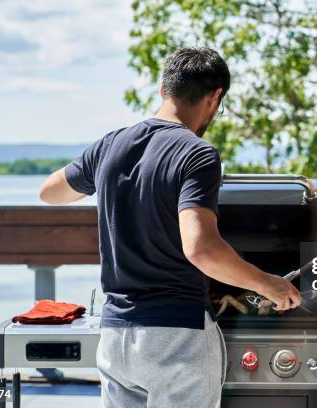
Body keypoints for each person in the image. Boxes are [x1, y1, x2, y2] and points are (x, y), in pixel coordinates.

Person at [38, 47, 301, 408]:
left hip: (116, 337)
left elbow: (50, 192)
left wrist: (103, 174)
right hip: (177, 336)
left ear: (163, 90)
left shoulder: (109, 145)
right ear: (215, 97)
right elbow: (202, 249)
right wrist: (269, 284)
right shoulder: (196, 154)